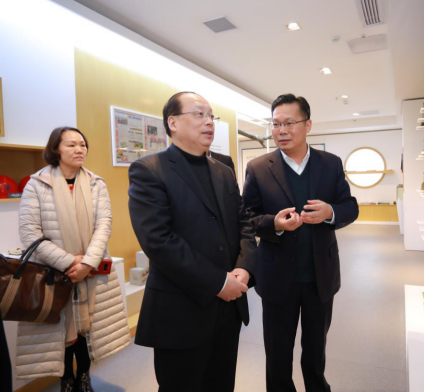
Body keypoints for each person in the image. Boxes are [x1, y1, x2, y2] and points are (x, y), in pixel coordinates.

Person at [128, 91, 257, 392]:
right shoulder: (149, 170)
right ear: (172, 122)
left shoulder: (223, 171)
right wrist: (218, 282)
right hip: (180, 310)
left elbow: (244, 223)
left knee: (221, 384)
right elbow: (158, 241)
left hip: (229, 308)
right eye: (199, 114)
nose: (209, 122)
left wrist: (245, 268)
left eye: (211, 116)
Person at [242, 94, 359, 391]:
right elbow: (246, 218)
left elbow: (350, 206)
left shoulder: (330, 164)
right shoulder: (258, 167)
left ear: (307, 125)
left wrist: (330, 212)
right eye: (275, 124)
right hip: (277, 277)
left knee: (315, 352)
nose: (281, 130)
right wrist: (274, 224)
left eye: (289, 123)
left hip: (320, 277)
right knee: (277, 355)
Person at [18, 127, 131, 392]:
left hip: (91, 270)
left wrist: (87, 264)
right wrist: (70, 263)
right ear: (55, 149)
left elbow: (104, 225)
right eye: (71, 145)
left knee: (86, 329)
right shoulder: (37, 184)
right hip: (55, 272)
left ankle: (84, 377)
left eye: (82, 144)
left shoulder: (96, 183)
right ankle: (66, 380)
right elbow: (30, 233)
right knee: (61, 330)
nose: (79, 149)